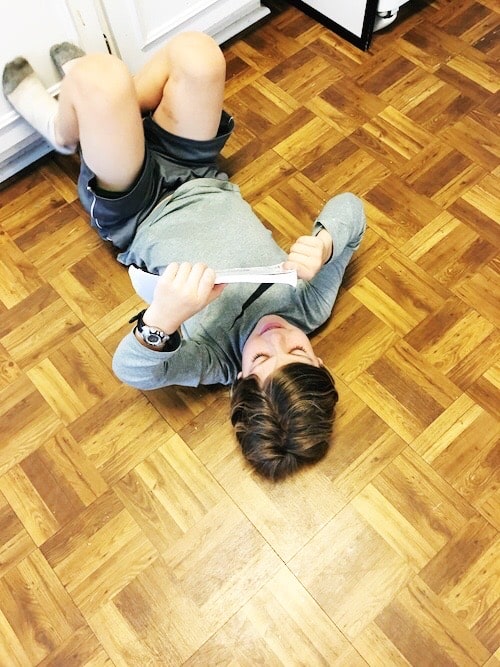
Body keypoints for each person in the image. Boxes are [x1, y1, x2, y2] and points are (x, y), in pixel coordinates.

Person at [2, 32, 366, 480]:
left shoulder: (212, 358)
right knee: (200, 57)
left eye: (261, 360)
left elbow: (132, 370)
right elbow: (351, 208)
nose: (275, 337)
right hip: (199, 173)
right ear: (317, 361)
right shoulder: (308, 305)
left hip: (134, 209)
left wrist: (164, 318)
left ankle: (68, 126)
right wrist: (325, 243)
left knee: (100, 77)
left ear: (240, 380)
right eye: (295, 349)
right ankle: (98, 113)